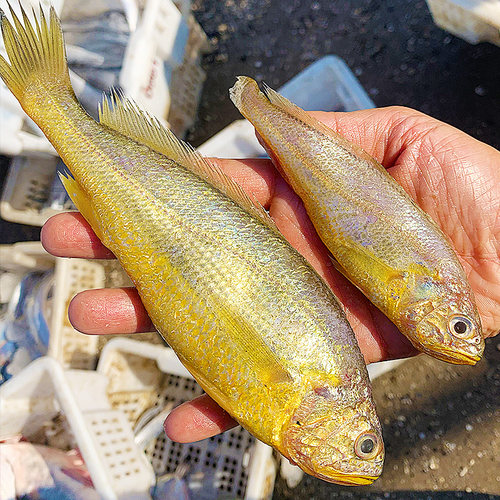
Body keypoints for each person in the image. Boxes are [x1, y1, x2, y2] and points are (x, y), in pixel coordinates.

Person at [40, 106, 500, 442]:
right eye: (362, 443)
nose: (356, 454)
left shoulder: (290, 403)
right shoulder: (306, 388)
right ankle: (54, 108)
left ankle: (58, 114)